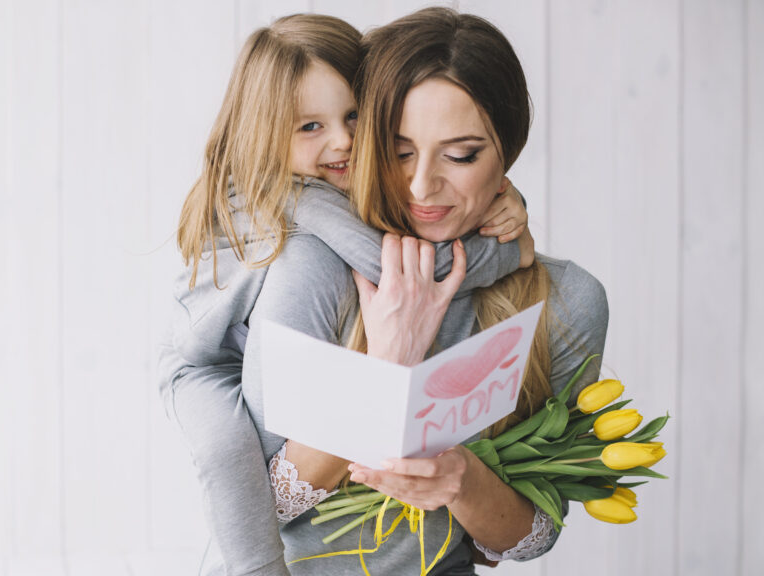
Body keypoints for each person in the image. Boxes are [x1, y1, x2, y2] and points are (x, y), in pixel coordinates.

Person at [158, 13, 533, 576]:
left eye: (354, 115)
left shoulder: (321, 189)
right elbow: (402, 272)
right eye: (310, 126)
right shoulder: (304, 203)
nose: (344, 140)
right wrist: (512, 248)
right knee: (227, 457)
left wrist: (503, 193)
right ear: (266, 134)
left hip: (226, 351)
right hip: (199, 366)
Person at [237, 7, 609, 574]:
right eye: (399, 149)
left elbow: (530, 537)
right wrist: (384, 371)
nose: (421, 185)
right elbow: (257, 508)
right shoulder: (310, 268)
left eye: (461, 155)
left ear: (506, 153)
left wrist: (462, 482)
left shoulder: (566, 303)